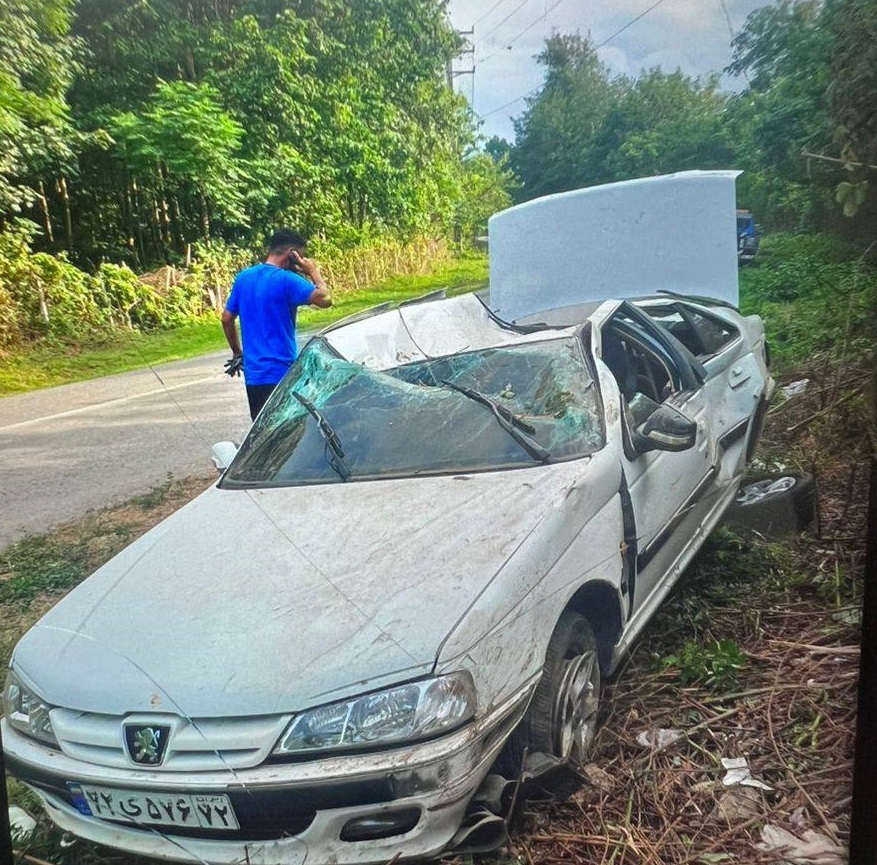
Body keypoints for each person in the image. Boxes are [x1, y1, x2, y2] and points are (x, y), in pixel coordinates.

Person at [221, 228, 332, 420]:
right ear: (291, 254)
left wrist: (238, 353)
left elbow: (226, 319)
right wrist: (313, 271)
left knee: (265, 437)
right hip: (282, 374)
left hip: (254, 377)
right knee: (289, 436)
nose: (300, 263)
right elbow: (325, 299)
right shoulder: (287, 280)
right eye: (301, 257)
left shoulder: (244, 278)